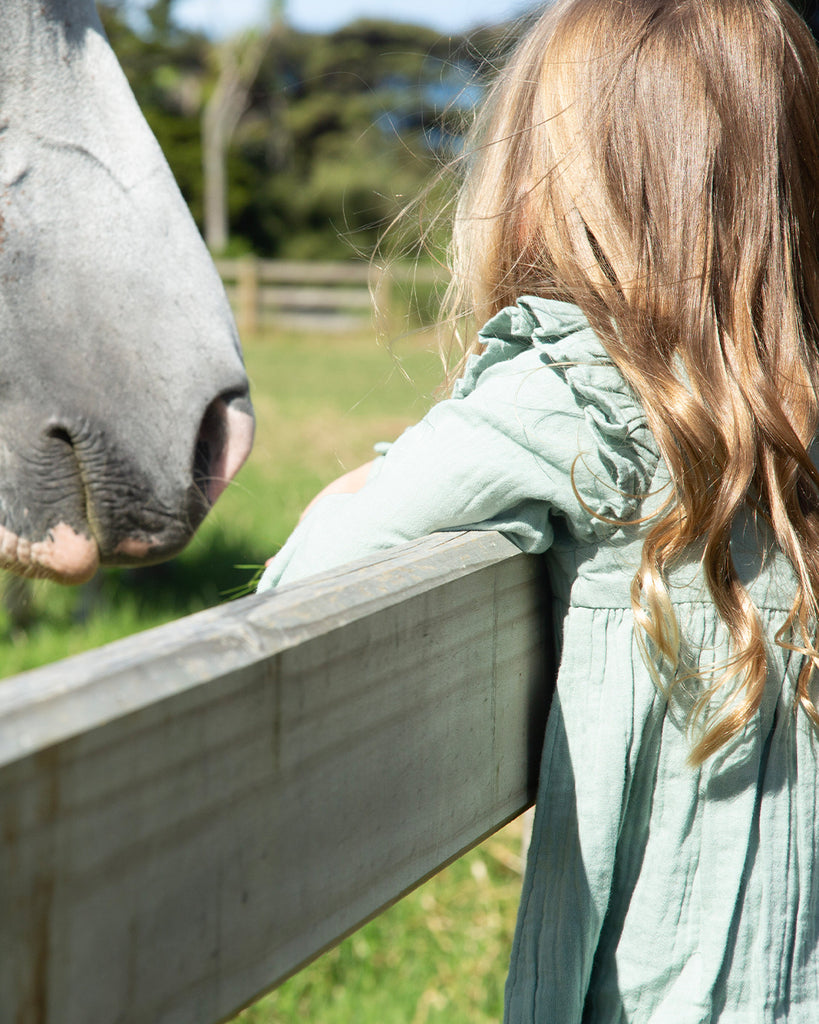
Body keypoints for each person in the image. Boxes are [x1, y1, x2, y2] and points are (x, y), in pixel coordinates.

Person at [258, 0, 819, 1018]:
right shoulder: (798, 421)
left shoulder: (578, 393)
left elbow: (298, 588)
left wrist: (366, 475)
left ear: (546, 181)